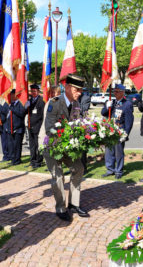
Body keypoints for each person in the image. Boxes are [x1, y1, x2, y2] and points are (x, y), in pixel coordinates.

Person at [44, 73, 89, 222]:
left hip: (67, 147)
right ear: (67, 87)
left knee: (79, 168)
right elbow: (49, 128)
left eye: (81, 90)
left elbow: (76, 124)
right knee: (58, 176)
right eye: (77, 89)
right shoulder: (55, 102)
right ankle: (60, 207)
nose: (79, 93)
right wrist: (64, 138)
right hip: (52, 146)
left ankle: (73, 203)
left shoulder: (76, 104)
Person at [101, 84, 134, 179]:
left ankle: (118, 171)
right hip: (109, 130)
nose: (115, 93)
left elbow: (129, 121)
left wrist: (126, 134)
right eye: (114, 91)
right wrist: (107, 107)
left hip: (120, 131)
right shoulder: (111, 102)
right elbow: (103, 113)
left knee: (118, 152)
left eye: (117, 91)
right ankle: (110, 169)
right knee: (109, 151)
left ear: (123, 92)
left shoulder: (127, 104)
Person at [25, 84, 45, 168]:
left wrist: (38, 125)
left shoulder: (41, 101)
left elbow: (41, 115)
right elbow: (25, 113)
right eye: (32, 91)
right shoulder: (29, 100)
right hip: (30, 126)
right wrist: (26, 107)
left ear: (38, 91)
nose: (33, 93)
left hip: (37, 126)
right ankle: (32, 160)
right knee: (32, 145)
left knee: (38, 144)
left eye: (35, 91)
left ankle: (38, 161)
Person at [5, 89, 26, 165]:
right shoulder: (11, 104)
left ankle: (17, 160)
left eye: (13, 95)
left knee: (17, 146)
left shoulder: (21, 104)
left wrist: (13, 109)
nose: (11, 96)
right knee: (11, 145)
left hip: (18, 128)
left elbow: (22, 114)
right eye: (11, 95)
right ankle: (13, 159)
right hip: (10, 128)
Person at [78, 92, 91, 174]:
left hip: (82, 124)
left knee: (82, 148)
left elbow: (83, 110)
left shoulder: (85, 98)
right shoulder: (71, 97)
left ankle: (83, 168)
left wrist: (74, 103)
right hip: (72, 123)